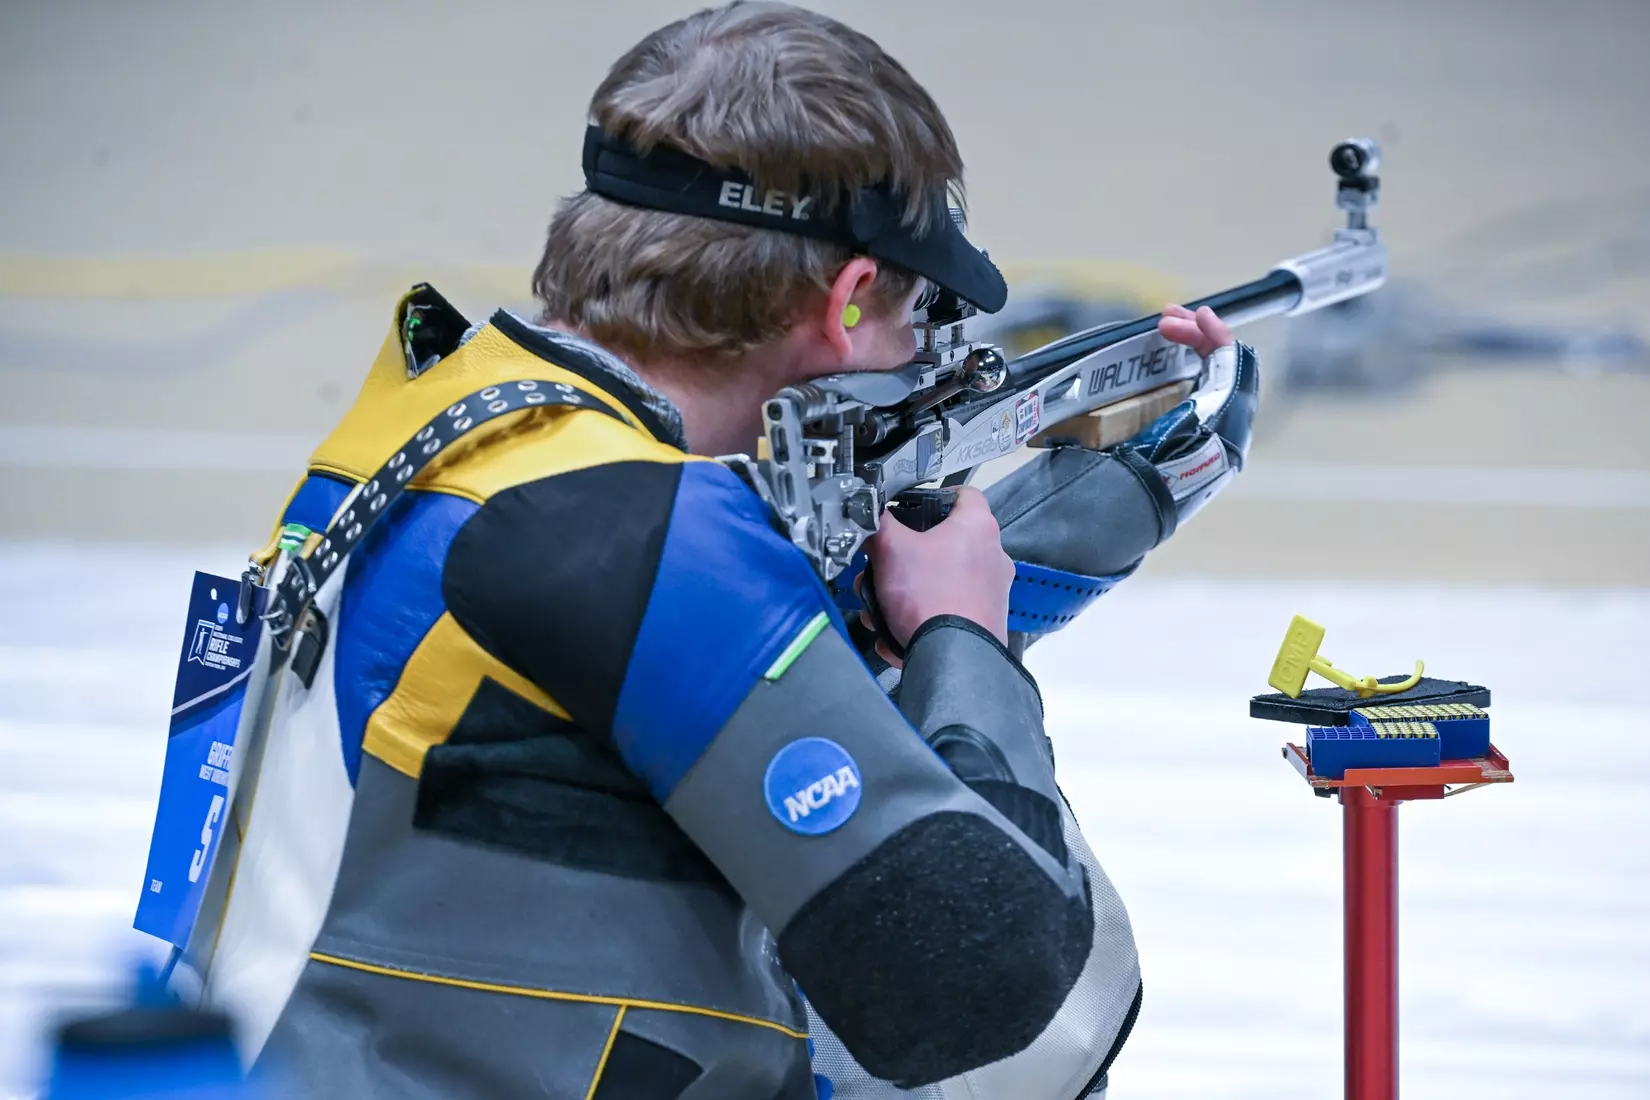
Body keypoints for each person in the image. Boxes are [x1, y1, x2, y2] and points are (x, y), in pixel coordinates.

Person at [189, 4, 1250, 1098]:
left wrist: (1087, 512)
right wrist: (963, 637)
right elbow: (981, 981)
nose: (922, 356)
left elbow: (631, 695)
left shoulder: (451, 425)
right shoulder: (647, 529)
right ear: (844, 302)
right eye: (919, 314)